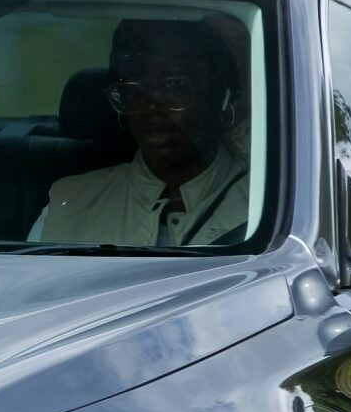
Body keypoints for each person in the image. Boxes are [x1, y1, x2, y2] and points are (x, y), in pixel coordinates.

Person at [30, 18, 250, 248]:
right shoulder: (70, 204)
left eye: (175, 86)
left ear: (220, 98)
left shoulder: (272, 206)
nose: (150, 107)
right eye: (133, 91)